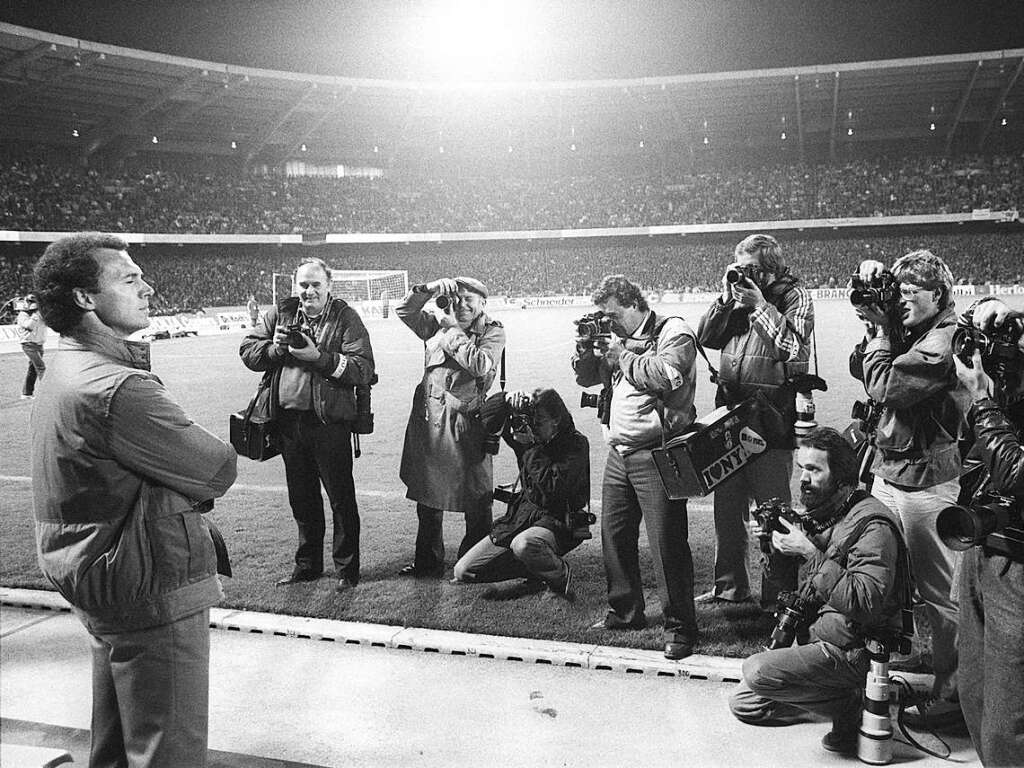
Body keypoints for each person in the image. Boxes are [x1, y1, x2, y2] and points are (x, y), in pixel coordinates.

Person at [30, 232, 237, 767]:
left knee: (117, 747)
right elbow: (217, 468)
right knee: (167, 751)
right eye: (129, 277)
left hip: (96, 575)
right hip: (145, 582)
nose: (148, 286)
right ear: (85, 298)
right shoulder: (119, 388)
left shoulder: (64, 368)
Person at [730, 427, 909, 756]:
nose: (803, 479)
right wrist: (772, 547)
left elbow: (865, 602)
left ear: (841, 478)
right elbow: (791, 591)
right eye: (801, 468)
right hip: (820, 636)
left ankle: (853, 699)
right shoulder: (824, 513)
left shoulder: (872, 527)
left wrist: (810, 553)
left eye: (814, 470)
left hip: (855, 648)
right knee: (744, 703)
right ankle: (843, 703)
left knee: (757, 672)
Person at [849, 249, 965, 729]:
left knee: (940, 592)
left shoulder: (943, 341)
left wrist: (880, 332)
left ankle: (955, 693)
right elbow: (862, 367)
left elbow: (885, 386)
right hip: (893, 469)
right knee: (902, 581)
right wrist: (877, 329)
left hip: (925, 481)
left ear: (936, 294)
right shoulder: (918, 331)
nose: (899, 301)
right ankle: (928, 657)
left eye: (908, 292)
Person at [572, 274, 699, 660]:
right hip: (619, 452)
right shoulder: (616, 339)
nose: (608, 323)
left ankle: (679, 627)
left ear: (633, 304)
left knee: (666, 543)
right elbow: (586, 377)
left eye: (612, 315)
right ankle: (625, 612)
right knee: (615, 535)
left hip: (657, 452)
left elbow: (666, 375)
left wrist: (619, 354)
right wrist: (586, 353)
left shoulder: (672, 330)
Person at [240, 257, 375, 591]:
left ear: (329, 286)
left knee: (341, 498)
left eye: (316, 284)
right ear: (294, 285)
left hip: (328, 423)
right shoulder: (282, 313)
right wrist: (274, 348)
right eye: (303, 284)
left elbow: (363, 369)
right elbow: (247, 350)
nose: (309, 291)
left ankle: (347, 569)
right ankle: (308, 566)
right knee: (302, 498)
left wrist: (319, 358)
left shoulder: (345, 317)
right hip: (287, 423)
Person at [696, 233, 814, 608]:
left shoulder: (796, 296)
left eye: (752, 269)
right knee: (727, 507)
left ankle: (777, 597)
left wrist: (761, 305)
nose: (745, 275)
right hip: (730, 413)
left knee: (773, 510)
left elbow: (791, 347)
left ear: (771, 269)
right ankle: (729, 588)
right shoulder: (736, 295)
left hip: (772, 417)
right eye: (741, 267)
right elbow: (705, 338)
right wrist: (725, 299)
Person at [951, 296, 1024, 766]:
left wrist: (981, 401)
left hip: (1018, 570)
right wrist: (987, 313)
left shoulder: (989, 405)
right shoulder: (1007, 398)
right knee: (974, 700)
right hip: (983, 549)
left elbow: (1017, 477)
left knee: (1006, 725)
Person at [396, 276, 506, 577]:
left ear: (483, 303)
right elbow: (405, 311)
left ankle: (474, 565)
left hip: (466, 423)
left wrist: (451, 331)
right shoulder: (436, 323)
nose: (461, 304)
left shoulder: (492, 332)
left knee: (477, 499)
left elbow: (481, 364)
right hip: (431, 423)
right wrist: (429, 289)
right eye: (457, 298)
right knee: (428, 498)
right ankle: (427, 563)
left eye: (469, 299)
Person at [452, 388, 590, 599]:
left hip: (561, 519)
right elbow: (486, 417)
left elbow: (553, 490)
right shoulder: (527, 434)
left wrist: (530, 449)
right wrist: (506, 399)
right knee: (463, 570)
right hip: (523, 516)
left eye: (539, 421)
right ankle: (536, 570)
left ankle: (560, 576)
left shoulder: (576, 444)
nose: (533, 427)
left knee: (523, 544)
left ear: (556, 420)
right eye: (531, 420)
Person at [16, 293, 47, 399]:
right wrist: (35, 315)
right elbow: (29, 326)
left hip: (38, 344)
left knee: (33, 369)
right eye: (32, 302)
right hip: (28, 344)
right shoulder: (23, 314)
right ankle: (48, 392)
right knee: (41, 367)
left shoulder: (40, 314)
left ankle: (27, 393)